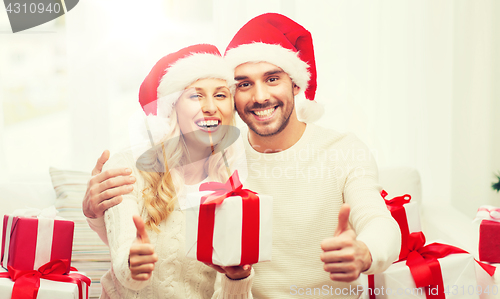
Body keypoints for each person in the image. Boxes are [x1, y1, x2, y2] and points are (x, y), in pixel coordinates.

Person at [85, 14, 401, 298]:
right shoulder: (217, 156)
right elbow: (158, 227)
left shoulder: (342, 150)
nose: (260, 96)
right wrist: (95, 213)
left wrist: (365, 252)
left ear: (295, 85)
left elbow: (376, 219)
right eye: (245, 84)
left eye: (272, 78)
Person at [85, 44, 254, 299]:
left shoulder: (236, 188)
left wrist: (237, 278)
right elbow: (123, 256)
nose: (210, 107)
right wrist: (133, 264)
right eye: (196, 96)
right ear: (172, 108)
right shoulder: (127, 165)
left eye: (220, 95)